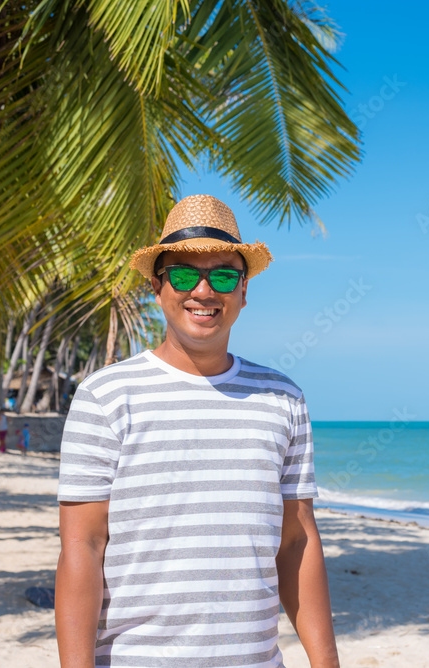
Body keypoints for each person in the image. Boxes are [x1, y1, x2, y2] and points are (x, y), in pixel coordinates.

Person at [55, 195, 338, 668]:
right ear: (157, 287)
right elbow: (82, 546)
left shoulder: (283, 397)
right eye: (185, 274)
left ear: (244, 292)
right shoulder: (106, 396)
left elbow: (296, 540)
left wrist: (325, 662)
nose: (204, 291)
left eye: (224, 275)